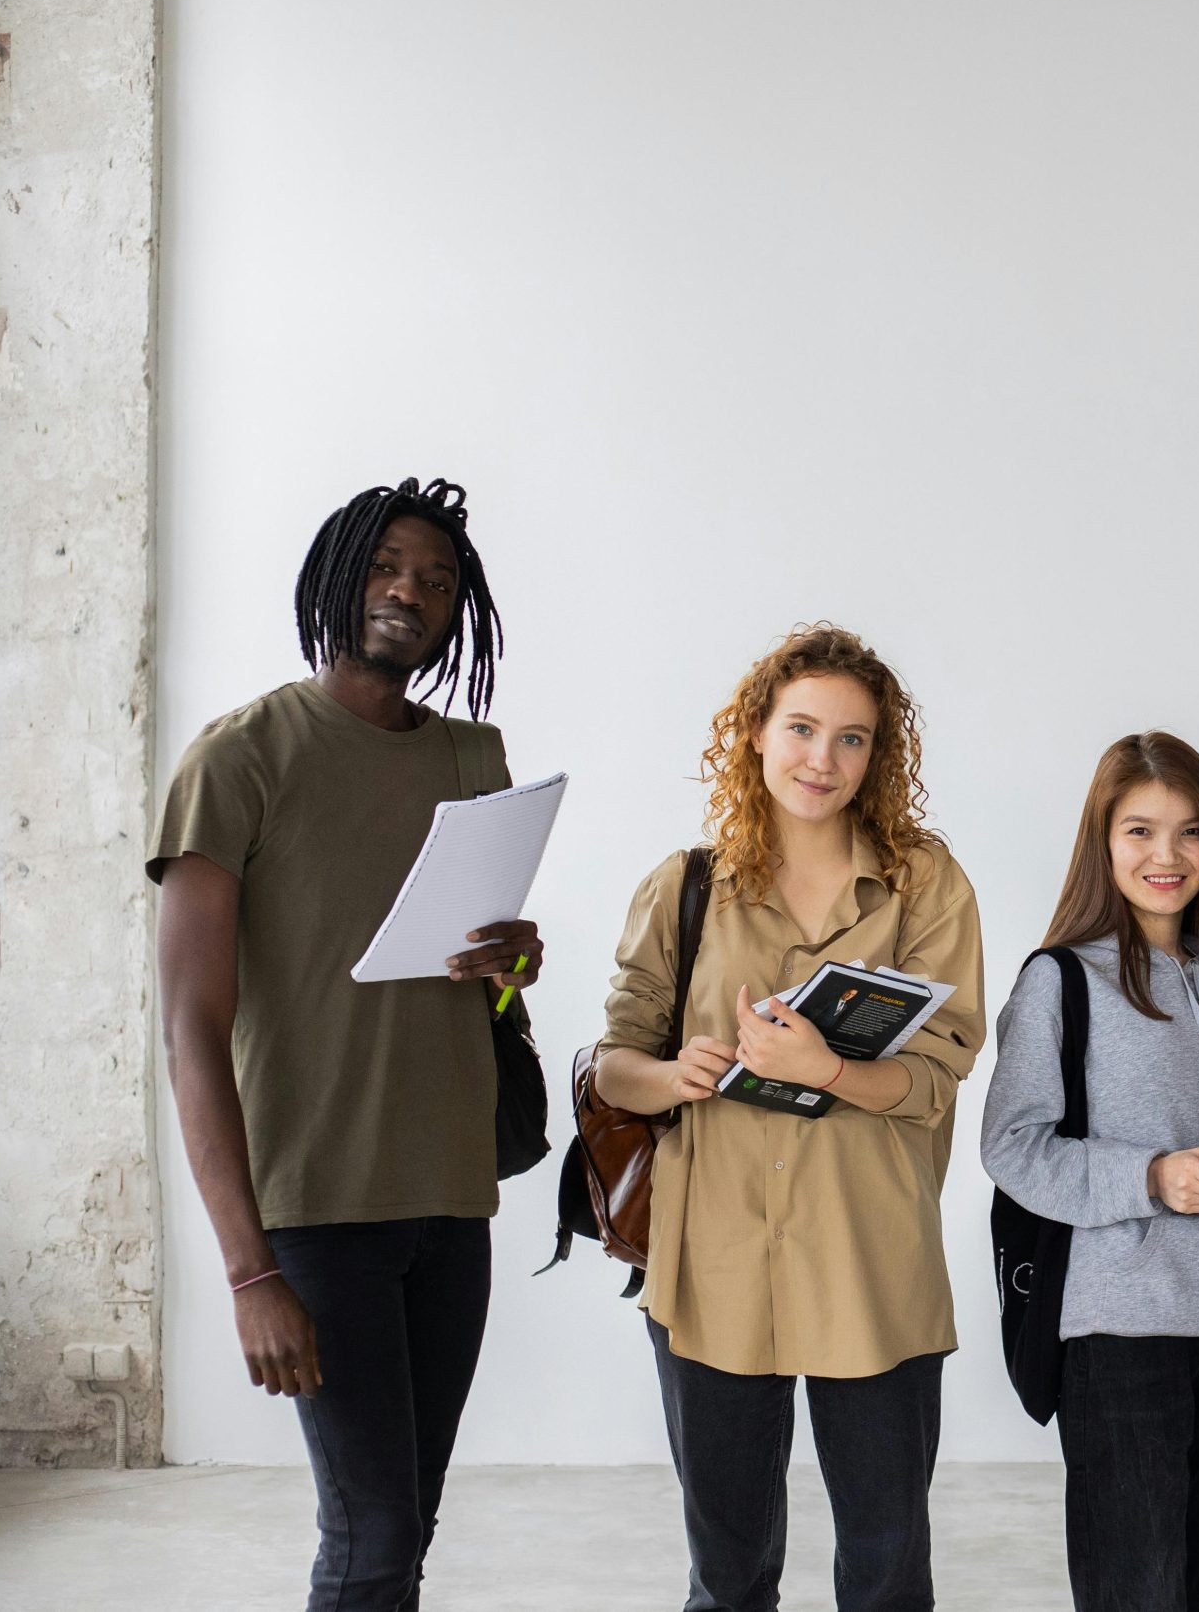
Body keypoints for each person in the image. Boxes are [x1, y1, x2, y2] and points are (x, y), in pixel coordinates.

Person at [152, 478, 544, 1610]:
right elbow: (190, 1030)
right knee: (368, 1537)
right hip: (316, 1212)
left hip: (449, 1196)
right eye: (385, 567)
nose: (407, 592)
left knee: (403, 1528)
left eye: (435, 579)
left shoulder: (476, 756)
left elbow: (484, 985)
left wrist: (514, 959)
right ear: (335, 576)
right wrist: (247, 1271)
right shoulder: (241, 759)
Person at [592, 624, 984, 1612]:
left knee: (887, 1574)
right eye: (802, 728)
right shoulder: (681, 888)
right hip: (709, 1268)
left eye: (852, 739)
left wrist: (826, 1070)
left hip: (869, 1261)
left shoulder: (924, 885)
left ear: (878, 756)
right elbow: (612, 1065)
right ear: (756, 733)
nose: (823, 759)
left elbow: (939, 1077)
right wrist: (676, 1073)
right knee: (725, 1579)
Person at [982, 732, 1199, 1612]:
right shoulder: (1058, 981)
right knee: (1137, 1596)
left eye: (1189, 832)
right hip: (1124, 1334)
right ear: (1102, 842)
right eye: (1139, 830)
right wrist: (1150, 1175)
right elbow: (1012, 1146)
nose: (1166, 856)